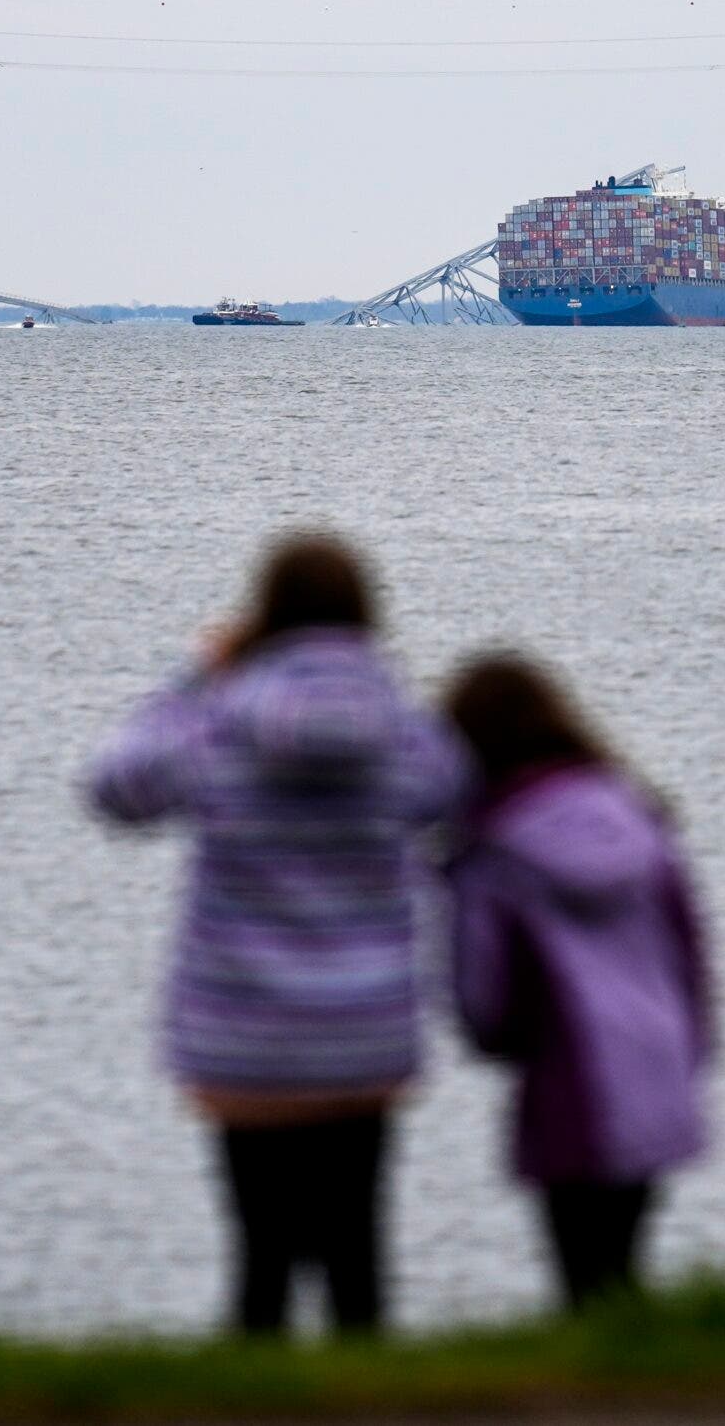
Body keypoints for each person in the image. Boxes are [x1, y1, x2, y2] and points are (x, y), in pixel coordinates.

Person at [87, 534, 463, 1335]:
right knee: (358, 1253)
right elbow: (453, 790)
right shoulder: (399, 732)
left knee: (261, 1257)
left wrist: (197, 675)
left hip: (246, 1038)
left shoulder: (220, 726)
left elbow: (114, 785)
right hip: (363, 1033)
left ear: (265, 619)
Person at [440, 653, 713, 1310]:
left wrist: (497, 1038)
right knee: (625, 1256)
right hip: (657, 1064)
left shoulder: (492, 852)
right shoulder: (638, 817)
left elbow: (486, 995)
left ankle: (594, 1392)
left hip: (571, 1075)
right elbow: (689, 954)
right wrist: (693, 1048)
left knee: (579, 1274)